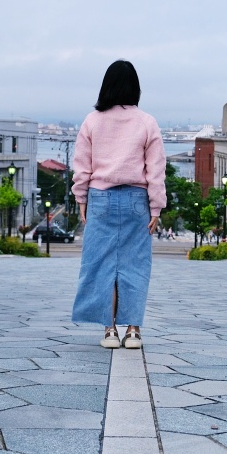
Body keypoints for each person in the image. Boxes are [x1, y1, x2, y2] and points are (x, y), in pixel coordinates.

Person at [71, 60, 166, 350]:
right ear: (135, 87)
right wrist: (156, 207)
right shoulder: (147, 122)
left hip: (100, 197)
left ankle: (110, 330)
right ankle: (134, 331)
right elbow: (156, 170)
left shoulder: (92, 121)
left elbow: (82, 166)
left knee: (100, 266)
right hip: (137, 199)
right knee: (135, 265)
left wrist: (81, 198)